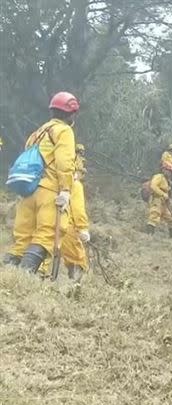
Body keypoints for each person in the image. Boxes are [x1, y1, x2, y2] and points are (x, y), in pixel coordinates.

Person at [3, 92, 79, 272]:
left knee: (22, 239)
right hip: (48, 191)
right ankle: (23, 280)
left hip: (28, 191)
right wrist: (66, 190)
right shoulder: (64, 131)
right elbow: (64, 162)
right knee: (46, 235)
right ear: (71, 114)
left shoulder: (37, 133)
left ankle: (7, 279)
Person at [39, 143, 91, 281]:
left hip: (46, 221)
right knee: (77, 258)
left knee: (45, 252)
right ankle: (75, 284)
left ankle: (36, 278)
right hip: (67, 227)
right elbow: (78, 210)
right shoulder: (75, 185)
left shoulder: (52, 181)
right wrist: (83, 229)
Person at [147, 164, 172, 237]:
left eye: (171, 172)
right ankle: (148, 236)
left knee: (171, 219)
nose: (170, 173)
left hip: (164, 202)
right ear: (164, 170)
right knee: (154, 216)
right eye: (169, 171)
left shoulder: (167, 180)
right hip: (157, 199)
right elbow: (153, 186)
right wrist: (162, 194)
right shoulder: (159, 177)